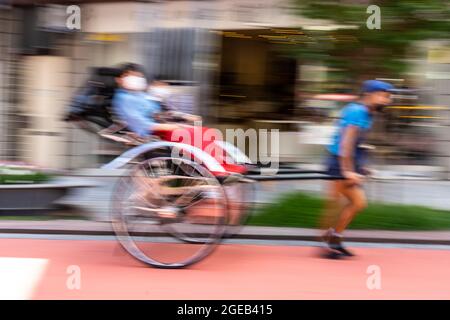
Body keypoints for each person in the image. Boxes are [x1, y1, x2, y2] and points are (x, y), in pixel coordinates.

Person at [320, 80, 393, 258]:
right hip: (339, 162)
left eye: (388, 97)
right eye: (383, 96)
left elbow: (356, 144)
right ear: (369, 95)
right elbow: (346, 143)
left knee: (343, 203)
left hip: (345, 161)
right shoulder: (357, 111)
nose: (387, 100)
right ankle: (330, 242)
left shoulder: (367, 113)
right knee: (348, 203)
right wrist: (347, 171)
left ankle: (334, 240)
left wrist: (362, 167)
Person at [112, 63, 181, 137]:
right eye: (130, 76)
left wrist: (183, 117)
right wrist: (173, 127)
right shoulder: (124, 99)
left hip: (163, 126)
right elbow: (141, 125)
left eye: (138, 76)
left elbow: (158, 112)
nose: (135, 79)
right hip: (150, 135)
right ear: (118, 79)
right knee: (189, 133)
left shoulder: (141, 95)